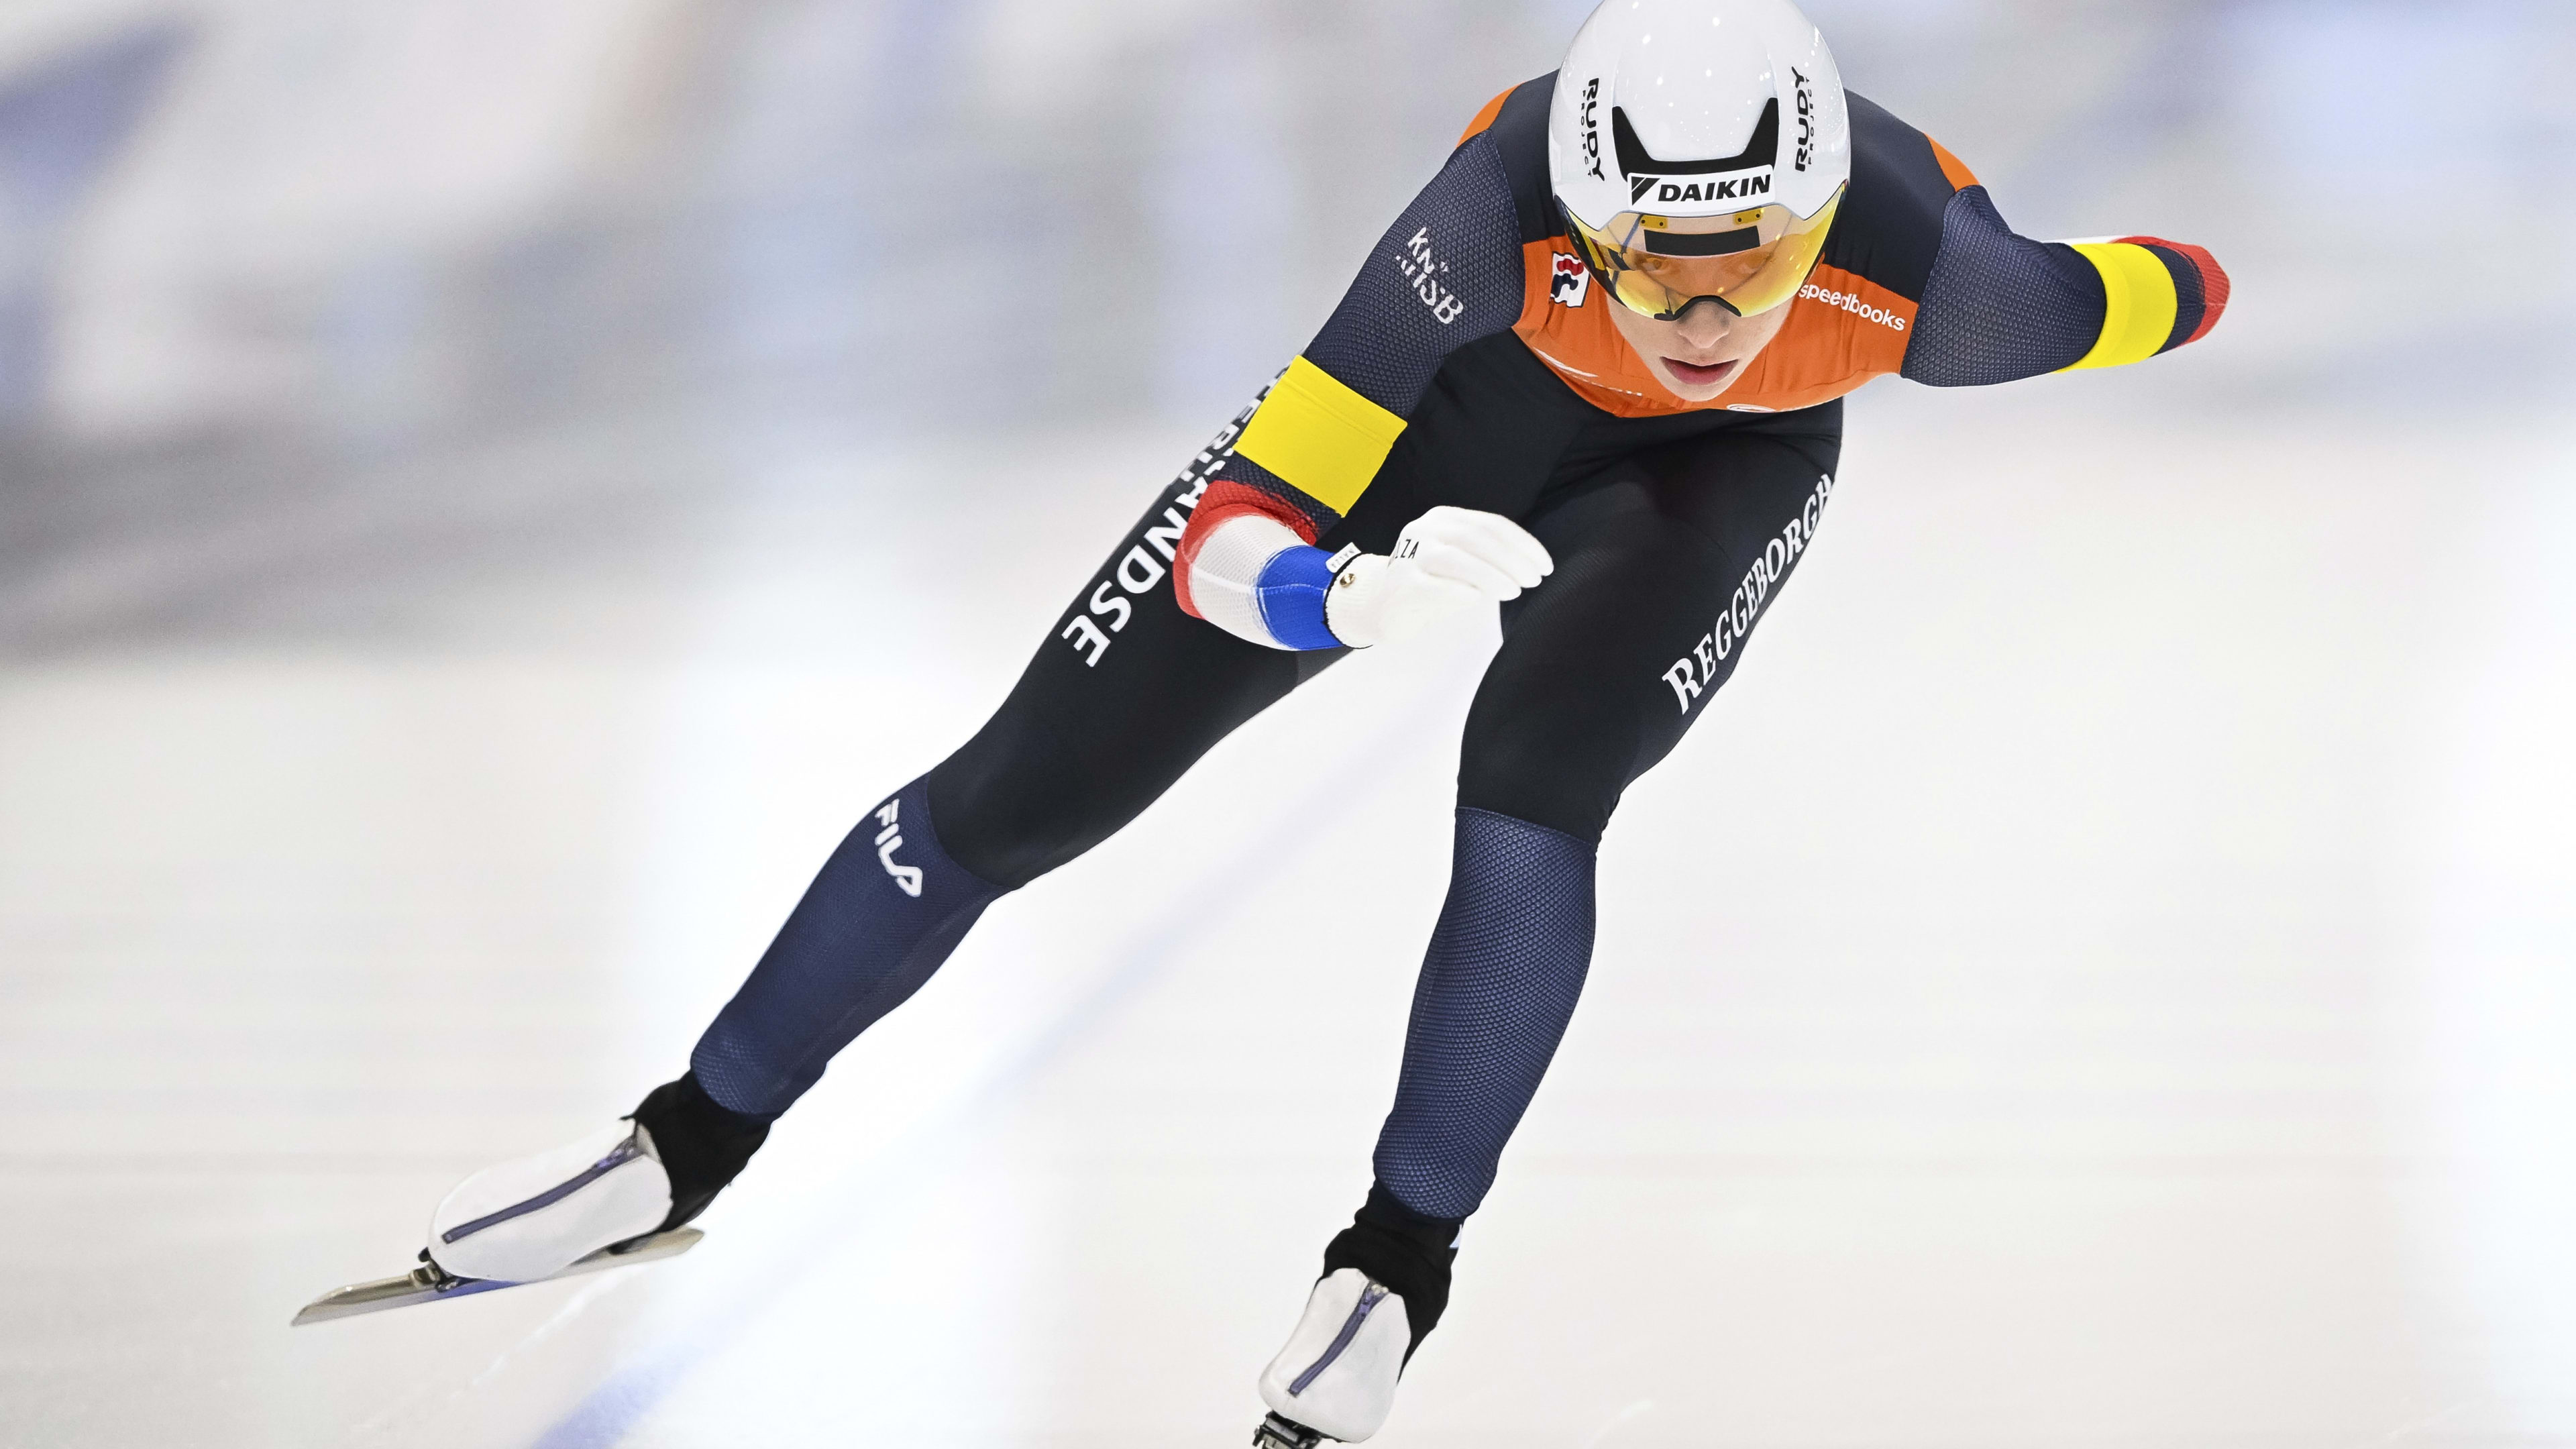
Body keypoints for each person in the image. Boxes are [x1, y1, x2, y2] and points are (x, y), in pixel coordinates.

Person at [414, 1, 2229, 1443]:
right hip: (1440, 434)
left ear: (1822, 230)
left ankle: (1393, 1264)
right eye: (1645, 262)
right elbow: (1238, 527)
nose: (1694, 312)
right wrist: (1333, 594)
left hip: (1715, 491)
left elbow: (2153, 290)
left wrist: (2196, 275)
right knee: (1025, 788)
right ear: (1576, 217)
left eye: (1746, 269)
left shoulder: (1949, 290)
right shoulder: (1473, 229)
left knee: (1535, 780)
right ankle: (685, 1143)